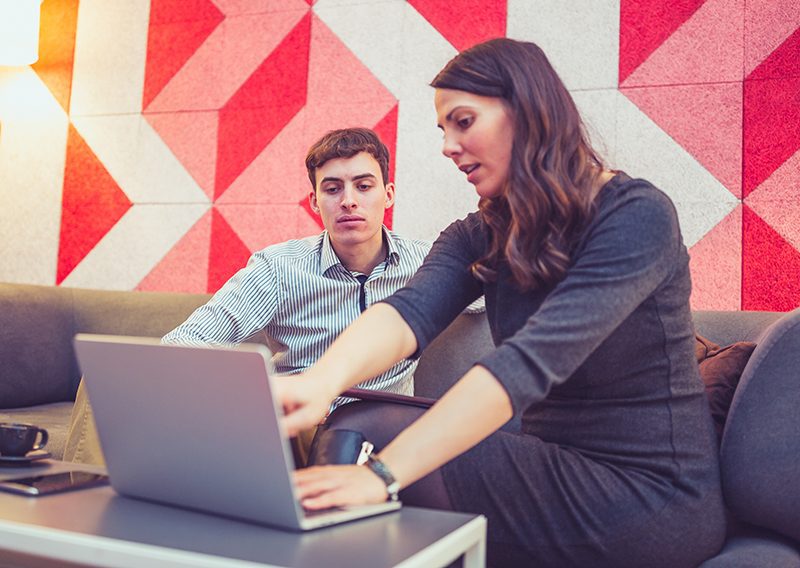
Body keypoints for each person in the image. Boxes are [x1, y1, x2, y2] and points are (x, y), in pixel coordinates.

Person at [276, 39, 727, 567]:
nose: (447, 145)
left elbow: (527, 363)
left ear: (529, 112)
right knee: (359, 418)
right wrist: (319, 381)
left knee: (378, 449)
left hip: (650, 495)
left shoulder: (635, 215)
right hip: (551, 459)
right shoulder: (482, 231)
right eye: (443, 130)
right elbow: (408, 312)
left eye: (463, 121)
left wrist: (382, 476)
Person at [65, 127, 475, 466]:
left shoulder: (429, 262)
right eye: (332, 189)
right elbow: (186, 340)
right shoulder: (279, 268)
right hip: (291, 415)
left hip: (378, 422)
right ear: (316, 203)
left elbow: (500, 292)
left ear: (388, 195)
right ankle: (83, 525)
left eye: (363, 185)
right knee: (106, 381)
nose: (348, 199)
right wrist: (247, 388)